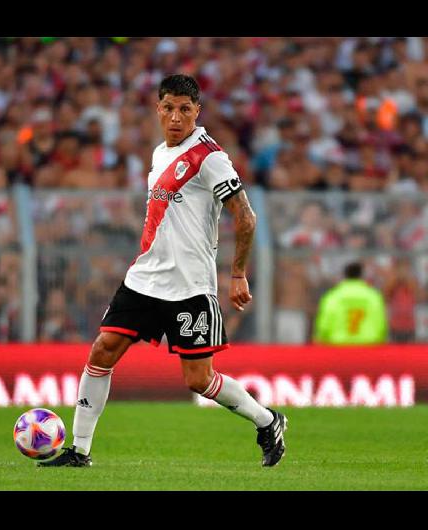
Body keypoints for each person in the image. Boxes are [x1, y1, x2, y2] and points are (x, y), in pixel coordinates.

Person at [40, 75, 288, 468]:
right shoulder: (159, 154)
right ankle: (79, 450)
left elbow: (246, 217)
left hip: (189, 286)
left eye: (185, 109)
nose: (176, 117)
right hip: (144, 278)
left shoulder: (210, 157)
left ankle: (268, 420)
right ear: (158, 109)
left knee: (198, 380)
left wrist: (238, 274)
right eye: (169, 108)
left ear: (197, 112)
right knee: (103, 350)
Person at [313, 262, 388, 345]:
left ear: (344, 276)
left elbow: (323, 327)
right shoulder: (373, 296)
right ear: (362, 276)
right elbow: (381, 326)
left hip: (339, 348)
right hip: (367, 347)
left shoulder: (332, 297)